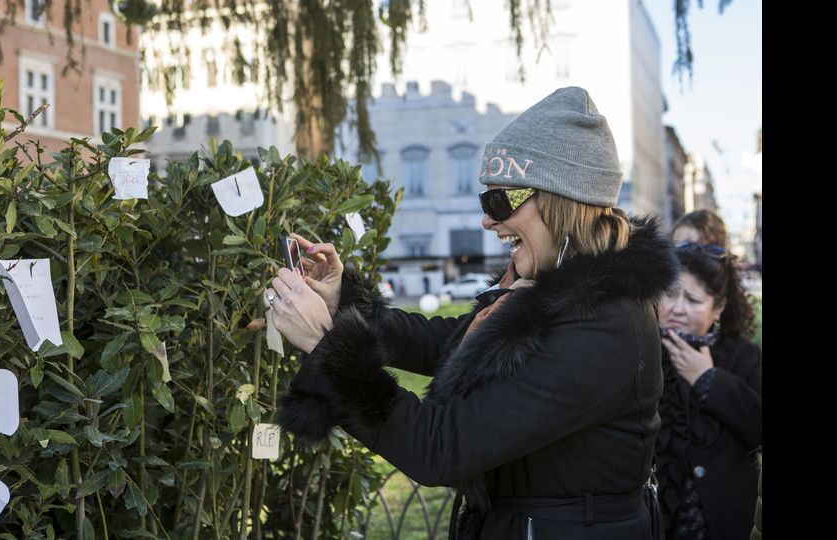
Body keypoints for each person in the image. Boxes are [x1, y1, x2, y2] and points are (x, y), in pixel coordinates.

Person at [267, 87, 678, 539]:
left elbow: (441, 447)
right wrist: (343, 301)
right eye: (487, 201)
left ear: (559, 200)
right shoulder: (554, 294)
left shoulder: (605, 324)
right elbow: (446, 342)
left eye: (500, 202)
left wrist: (328, 346)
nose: (488, 220)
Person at [656, 242, 762, 540]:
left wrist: (707, 378)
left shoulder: (742, 355)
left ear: (719, 308)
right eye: (669, 294)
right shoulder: (641, 353)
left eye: (692, 299)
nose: (677, 308)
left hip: (726, 524)